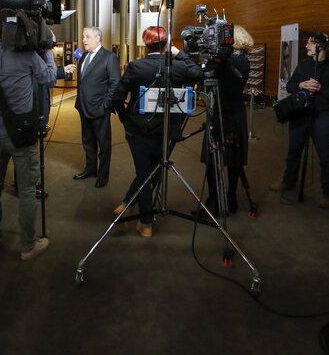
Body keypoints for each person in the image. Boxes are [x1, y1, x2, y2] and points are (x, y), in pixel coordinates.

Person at [111, 27, 203, 237]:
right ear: (166, 45)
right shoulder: (177, 67)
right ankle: (143, 220)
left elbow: (117, 98)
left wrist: (126, 119)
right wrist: (179, 54)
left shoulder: (136, 66)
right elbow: (199, 73)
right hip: (165, 131)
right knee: (150, 172)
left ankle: (136, 213)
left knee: (145, 172)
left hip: (138, 130)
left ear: (146, 45)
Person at [0, 8, 56, 260]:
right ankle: (28, 245)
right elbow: (49, 79)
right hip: (22, 133)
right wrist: (47, 54)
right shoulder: (28, 57)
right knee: (26, 190)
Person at [270, 34, 329, 208]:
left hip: (322, 116)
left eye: (310, 43)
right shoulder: (304, 65)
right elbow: (290, 85)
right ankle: (288, 181)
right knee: (293, 152)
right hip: (300, 115)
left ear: (320, 46)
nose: (306, 46)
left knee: (326, 155)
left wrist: (321, 88)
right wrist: (301, 85)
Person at [199, 25, 252, 216]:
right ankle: (230, 199)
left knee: (216, 160)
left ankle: (217, 202)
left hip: (224, 113)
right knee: (233, 160)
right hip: (234, 113)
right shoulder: (241, 60)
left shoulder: (233, 62)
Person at [73, 27, 120, 188]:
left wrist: (105, 104)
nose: (84, 40)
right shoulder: (83, 56)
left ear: (97, 39)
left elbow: (115, 83)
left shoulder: (109, 57)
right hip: (83, 107)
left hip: (100, 109)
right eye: (83, 36)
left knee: (103, 144)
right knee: (88, 142)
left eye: (87, 36)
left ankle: (103, 175)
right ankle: (90, 170)